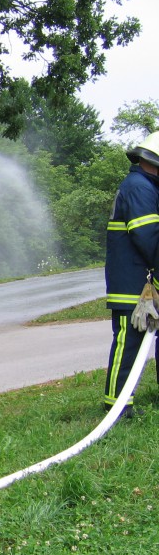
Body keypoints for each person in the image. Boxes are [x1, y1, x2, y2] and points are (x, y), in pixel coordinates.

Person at [104, 131, 159, 412]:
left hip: (142, 284)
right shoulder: (140, 188)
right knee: (129, 343)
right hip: (131, 284)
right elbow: (149, 237)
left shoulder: (144, 186)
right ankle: (117, 405)